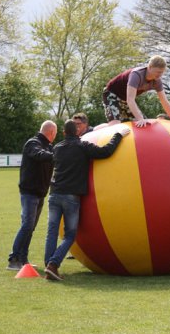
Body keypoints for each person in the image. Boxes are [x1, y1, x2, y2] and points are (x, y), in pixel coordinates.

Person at [43, 119, 130, 281]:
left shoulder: (57, 148)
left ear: (63, 133)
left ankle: (49, 266)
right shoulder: (83, 146)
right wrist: (118, 135)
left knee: (51, 232)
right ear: (77, 132)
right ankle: (53, 265)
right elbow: (106, 151)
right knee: (70, 235)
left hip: (54, 194)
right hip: (71, 196)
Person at [7, 120, 57, 271]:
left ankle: (23, 259)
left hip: (40, 192)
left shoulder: (49, 147)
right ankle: (13, 259)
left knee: (31, 227)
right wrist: (56, 155)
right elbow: (39, 155)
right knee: (27, 225)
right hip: (29, 192)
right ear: (51, 133)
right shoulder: (33, 143)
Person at [99, 55, 170, 128]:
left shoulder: (157, 81)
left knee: (145, 125)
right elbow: (130, 99)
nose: (160, 75)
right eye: (158, 72)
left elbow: (165, 102)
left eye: (162, 72)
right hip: (112, 94)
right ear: (150, 67)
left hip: (125, 100)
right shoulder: (137, 75)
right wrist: (140, 118)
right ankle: (98, 130)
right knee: (116, 124)